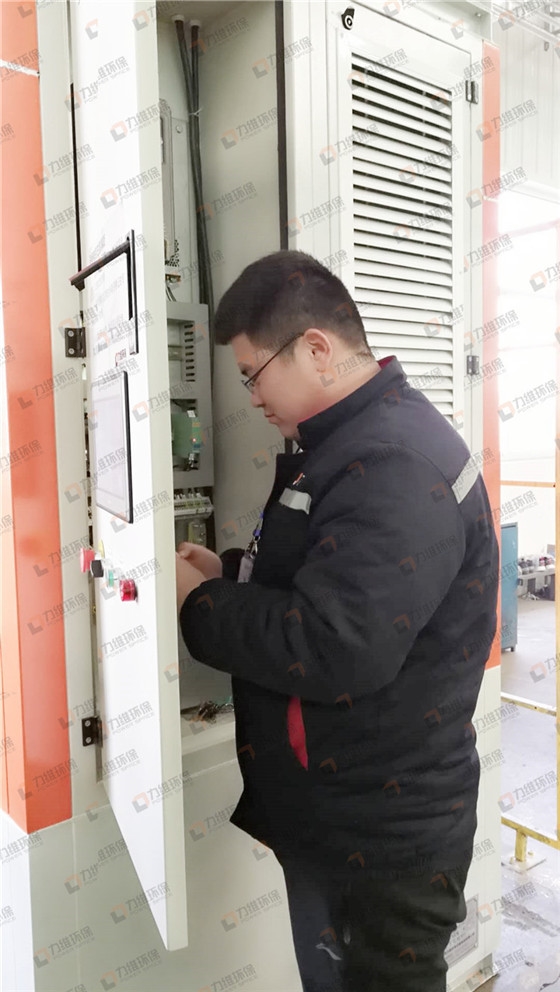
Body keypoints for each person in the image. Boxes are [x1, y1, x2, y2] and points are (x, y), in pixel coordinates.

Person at [175, 250, 499, 992]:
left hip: (380, 845)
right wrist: (229, 573)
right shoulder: (357, 442)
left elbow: (336, 645)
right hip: (350, 821)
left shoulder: (389, 460)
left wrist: (201, 605)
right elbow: (332, 580)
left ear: (316, 348)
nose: (253, 397)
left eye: (254, 374)